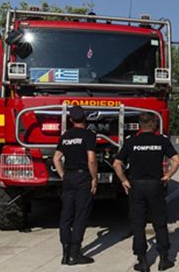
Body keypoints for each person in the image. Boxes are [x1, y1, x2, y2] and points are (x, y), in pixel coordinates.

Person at [113, 113, 179, 272]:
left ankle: (142, 261)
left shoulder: (131, 142)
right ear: (153, 124)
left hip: (136, 186)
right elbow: (177, 160)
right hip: (156, 185)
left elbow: (117, 163)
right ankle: (164, 259)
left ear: (140, 125)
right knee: (160, 222)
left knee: (138, 223)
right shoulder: (161, 141)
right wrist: (168, 176)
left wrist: (124, 180)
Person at [52, 105, 97, 265]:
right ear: (85, 118)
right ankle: (75, 253)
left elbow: (56, 158)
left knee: (66, 215)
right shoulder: (89, 135)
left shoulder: (65, 136)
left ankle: (65, 253)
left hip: (69, 177)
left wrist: (63, 174)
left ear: (71, 120)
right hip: (83, 176)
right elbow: (91, 159)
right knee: (80, 215)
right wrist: (94, 178)